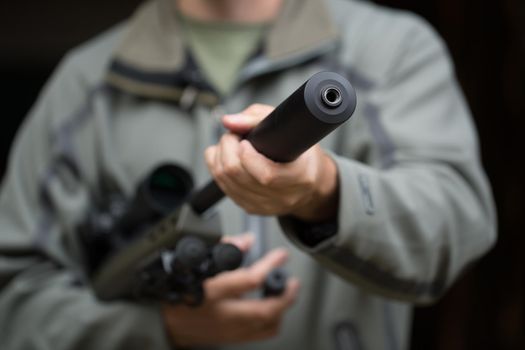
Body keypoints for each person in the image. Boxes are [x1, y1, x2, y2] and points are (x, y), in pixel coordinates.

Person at [0, 0, 496, 349]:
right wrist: (159, 330)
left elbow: (457, 226)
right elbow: (13, 303)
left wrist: (324, 191)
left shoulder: (392, 49)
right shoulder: (85, 84)